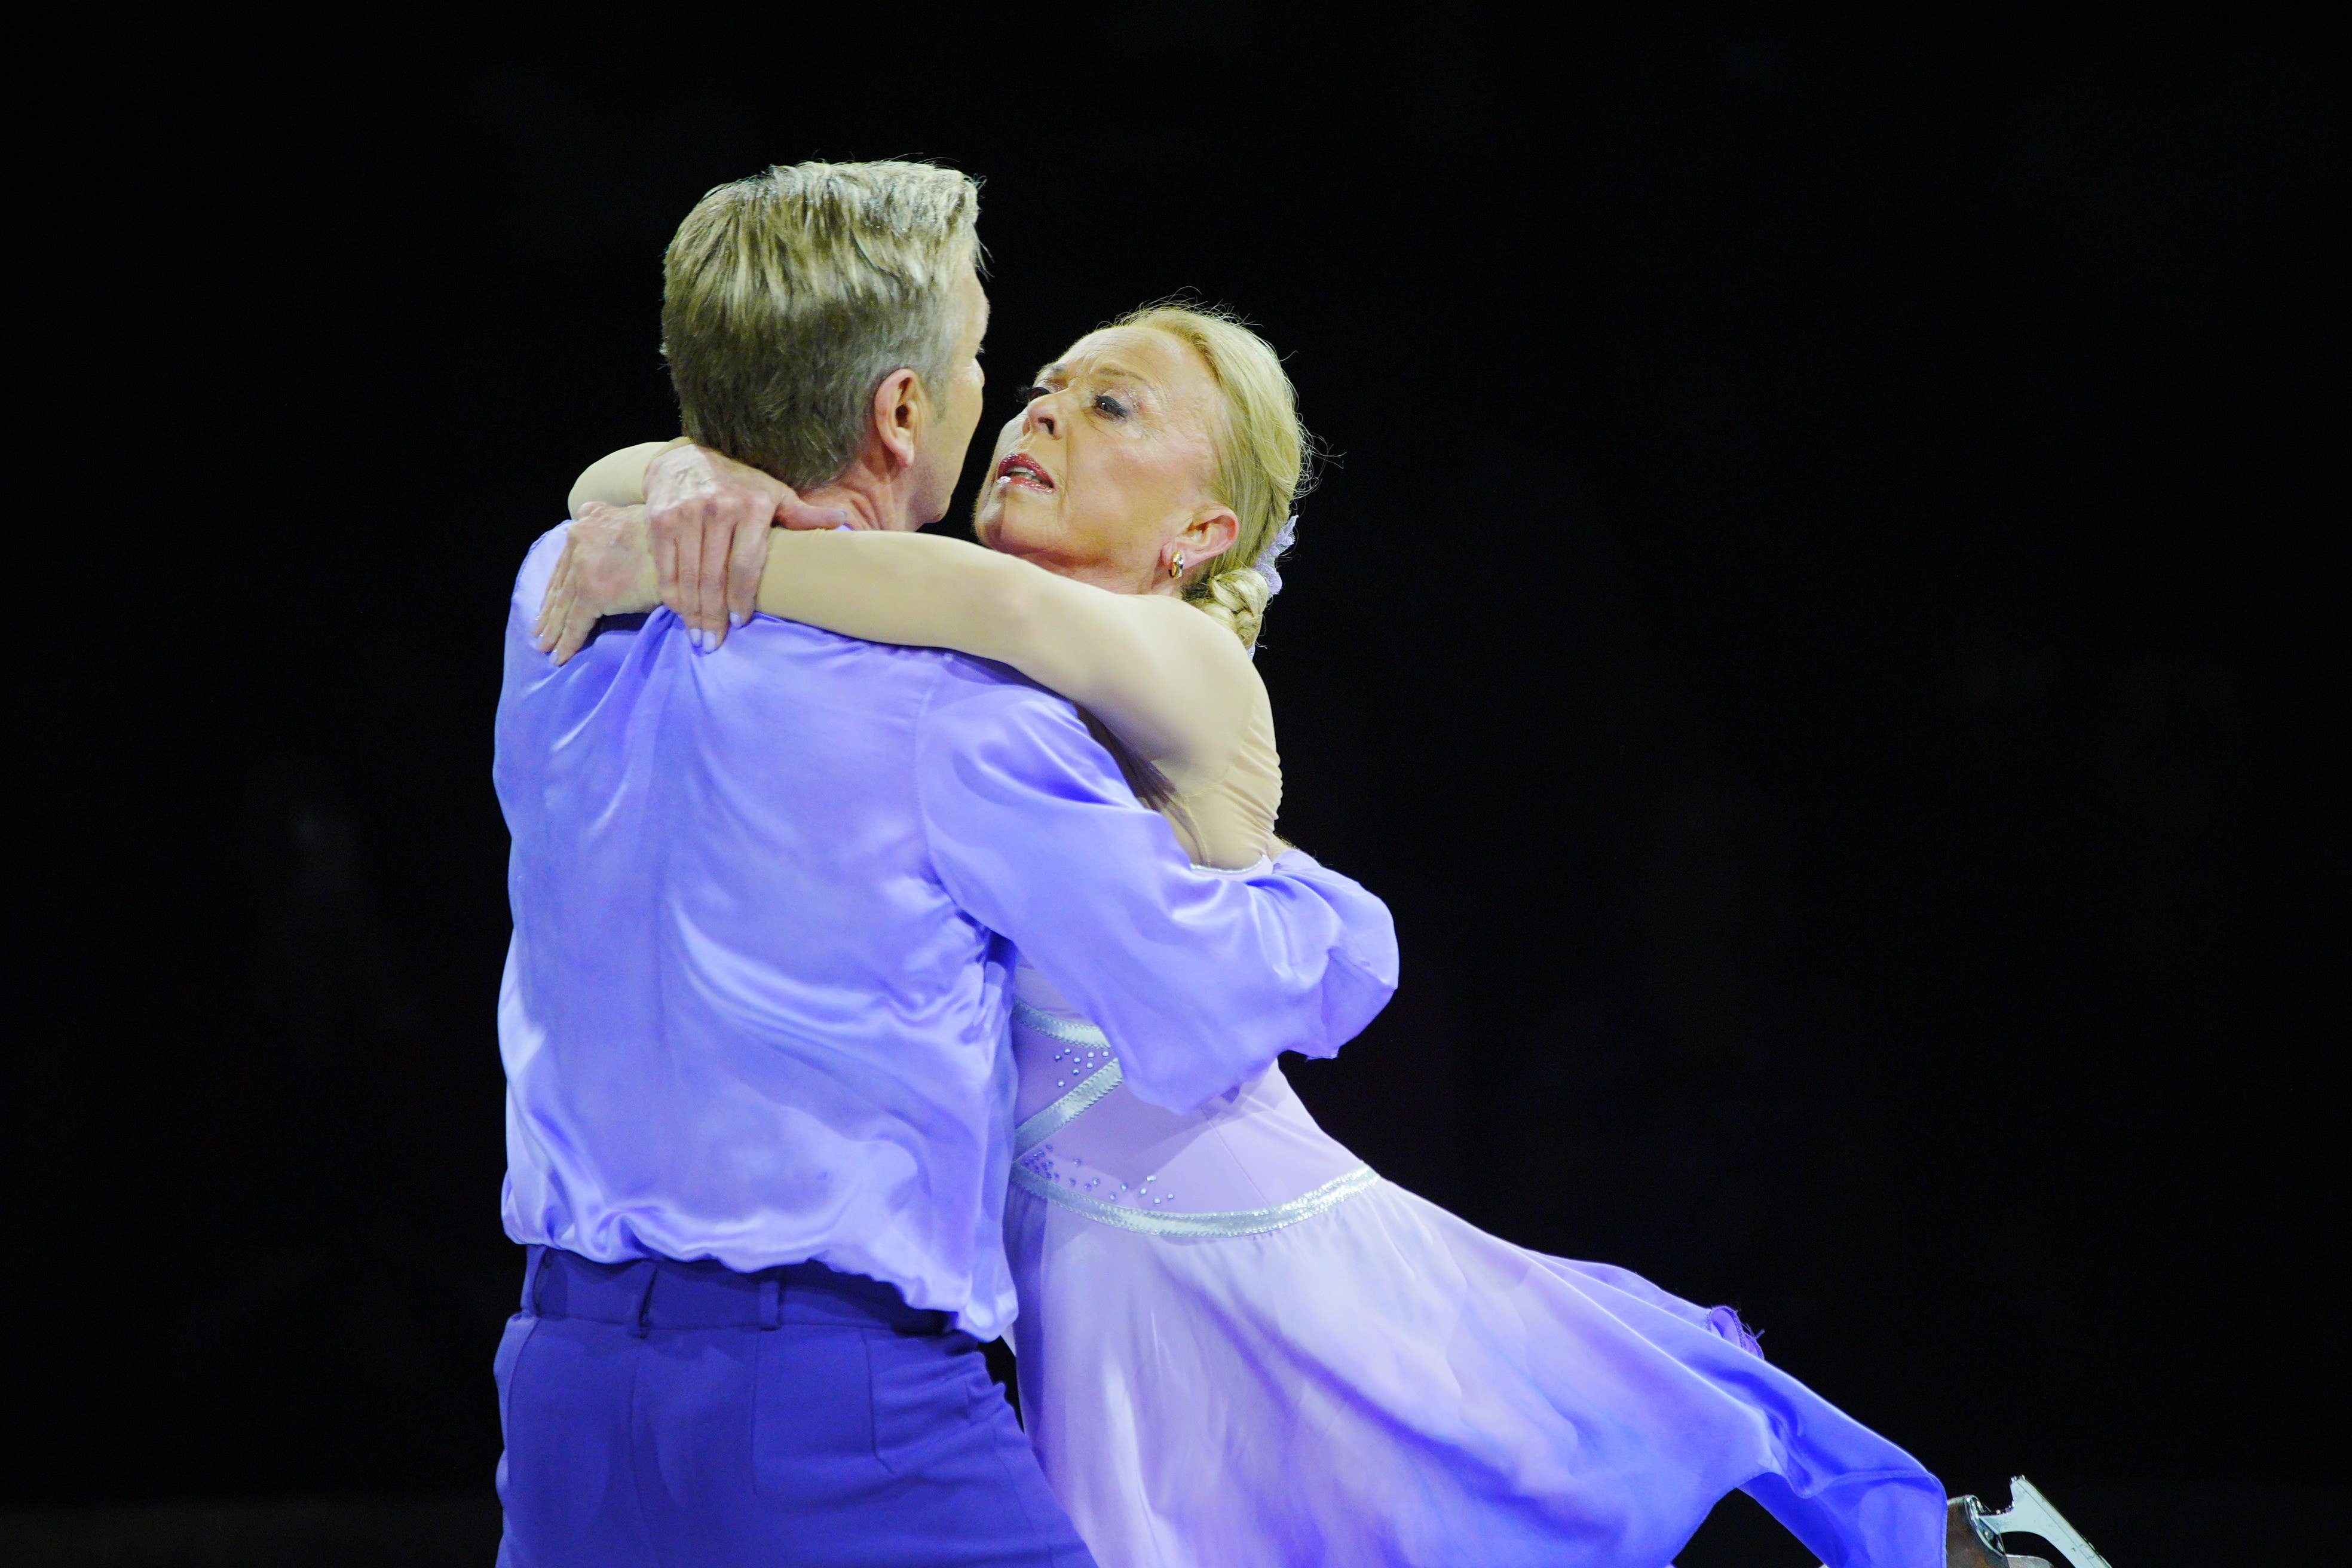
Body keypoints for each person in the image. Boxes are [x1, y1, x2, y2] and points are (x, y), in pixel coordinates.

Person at [541, 300, 2039, 1568]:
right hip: (1103, 1334)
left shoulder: (1180, 664)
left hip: (1279, 1293)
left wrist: (675, 543)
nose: (1045, 412)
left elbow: (960, 594)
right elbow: (631, 489)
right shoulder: (953, 656)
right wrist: (674, 483)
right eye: (1045, 386)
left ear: (1204, 531)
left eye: (1113, 405)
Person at [492, 162, 1399, 1568]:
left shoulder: (565, 589)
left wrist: (669, 476)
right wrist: (1313, 904)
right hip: (829, 1411)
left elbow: (628, 498)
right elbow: (1220, 993)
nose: (1012, 402)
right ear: (904, 410)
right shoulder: (958, 713)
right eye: (988, 361)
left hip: (567, 1402)